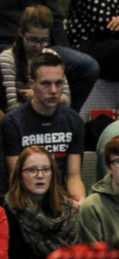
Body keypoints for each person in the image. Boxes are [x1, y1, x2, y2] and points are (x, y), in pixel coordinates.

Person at [1, 52, 84, 204]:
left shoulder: (73, 121)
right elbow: (16, 178)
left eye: (59, 83)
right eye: (46, 83)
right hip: (26, 201)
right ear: (31, 84)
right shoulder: (13, 122)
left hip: (61, 200)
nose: (53, 90)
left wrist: (79, 202)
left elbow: (74, 177)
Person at [0, 2, 98, 112]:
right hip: (4, 40)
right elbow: (12, 108)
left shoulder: (51, 54)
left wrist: (37, 97)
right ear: (21, 34)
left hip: (47, 113)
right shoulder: (7, 59)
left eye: (43, 40)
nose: (38, 46)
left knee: (89, 65)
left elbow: (67, 101)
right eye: (33, 40)